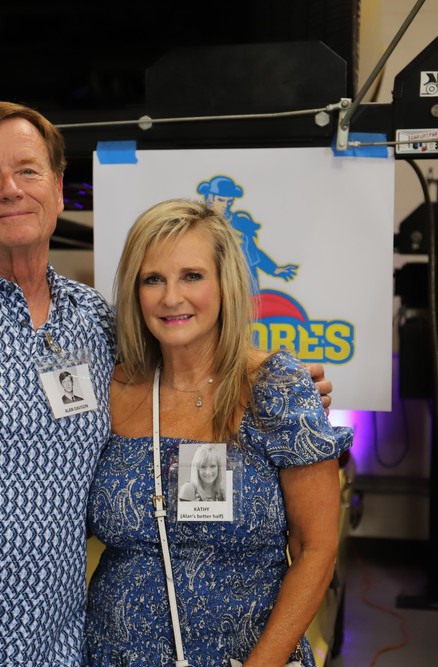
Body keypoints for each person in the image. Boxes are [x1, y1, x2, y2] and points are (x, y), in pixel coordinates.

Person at [0, 101, 335, 667]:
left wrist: (277, 385)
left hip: (60, 652)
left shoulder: (94, 321)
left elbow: (185, 358)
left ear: (57, 187)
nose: (10, 190)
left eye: (27, 170)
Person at [84, 199, 352, 667]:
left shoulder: (275, 387)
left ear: (225, 285)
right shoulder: (112, 389)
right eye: (153, 279)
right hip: (113, 652)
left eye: (192, 276)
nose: (171, 297)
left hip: (247, 655)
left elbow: (317, 551)